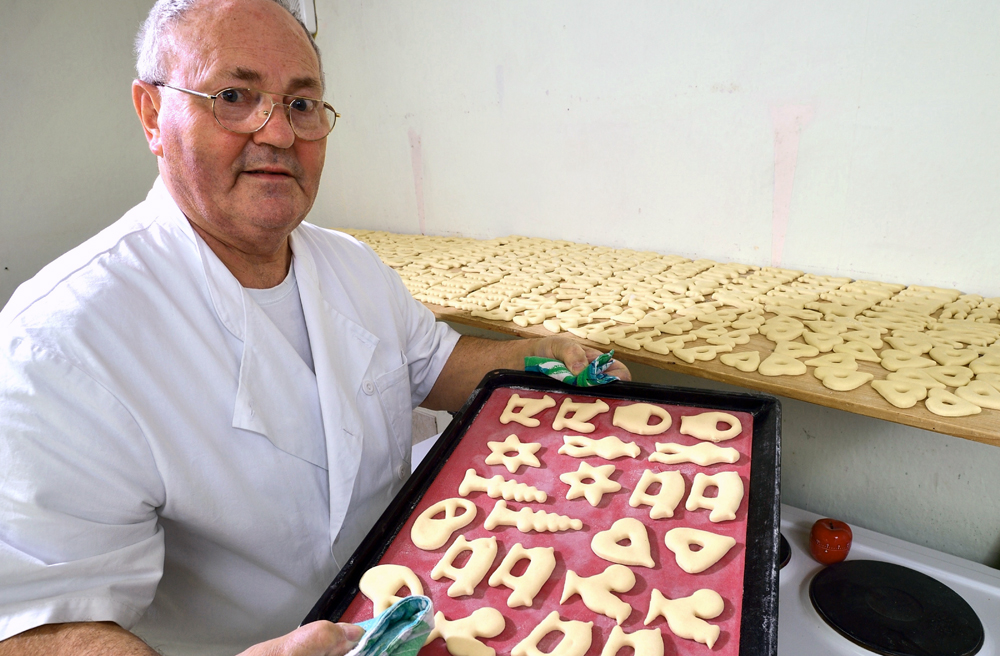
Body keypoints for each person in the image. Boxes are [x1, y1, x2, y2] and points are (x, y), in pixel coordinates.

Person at [0, 1, 629, 655]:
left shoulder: (351, 266)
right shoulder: (59, 343)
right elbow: (39, 625)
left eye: (301, 105)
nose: (276, 133)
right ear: (153, 114)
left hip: (419, 610)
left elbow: (440, 368)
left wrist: (540, 355)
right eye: (235, 96)